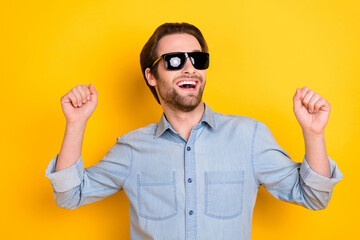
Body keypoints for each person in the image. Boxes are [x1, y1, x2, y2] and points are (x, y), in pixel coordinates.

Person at [45, 22, 343, 240]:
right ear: (151, 75)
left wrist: (314, 133)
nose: (189, 68)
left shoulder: (248, 136)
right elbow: (70, 195)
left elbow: (314, 197)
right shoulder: (131, 148)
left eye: (197, 59)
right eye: (175, 61)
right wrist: (76, 123)